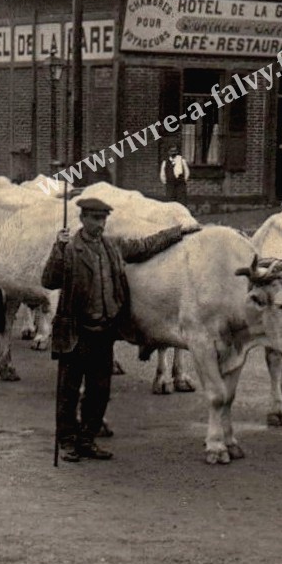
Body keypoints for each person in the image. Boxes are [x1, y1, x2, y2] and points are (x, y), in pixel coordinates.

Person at [40, 197, 194, 462]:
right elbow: (49, 280)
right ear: (82, 219)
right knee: (68, 391)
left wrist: (177, 232)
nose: (100, 225)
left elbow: (145, 246)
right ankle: (67, 441)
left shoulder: (112, 246)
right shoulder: (69, 248)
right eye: (95, 219)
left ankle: (87, 439)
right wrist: (57, 248)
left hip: (104, 331)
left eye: (103, 219)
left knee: (99, 391)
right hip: (76, 331)